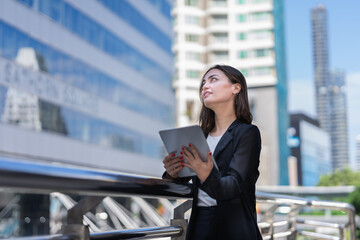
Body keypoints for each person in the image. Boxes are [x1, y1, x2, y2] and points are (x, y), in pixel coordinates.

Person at [162, 65, 262, 240]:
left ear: (235, 88)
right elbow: (182, 181)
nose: (205, 86)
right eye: (203, 83)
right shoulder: (200, 136)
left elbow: (233, 186)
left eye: (213, 79)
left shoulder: (247, 133)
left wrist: (206, 173)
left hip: (234, 228)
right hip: (200, 225)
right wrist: (173, 173)